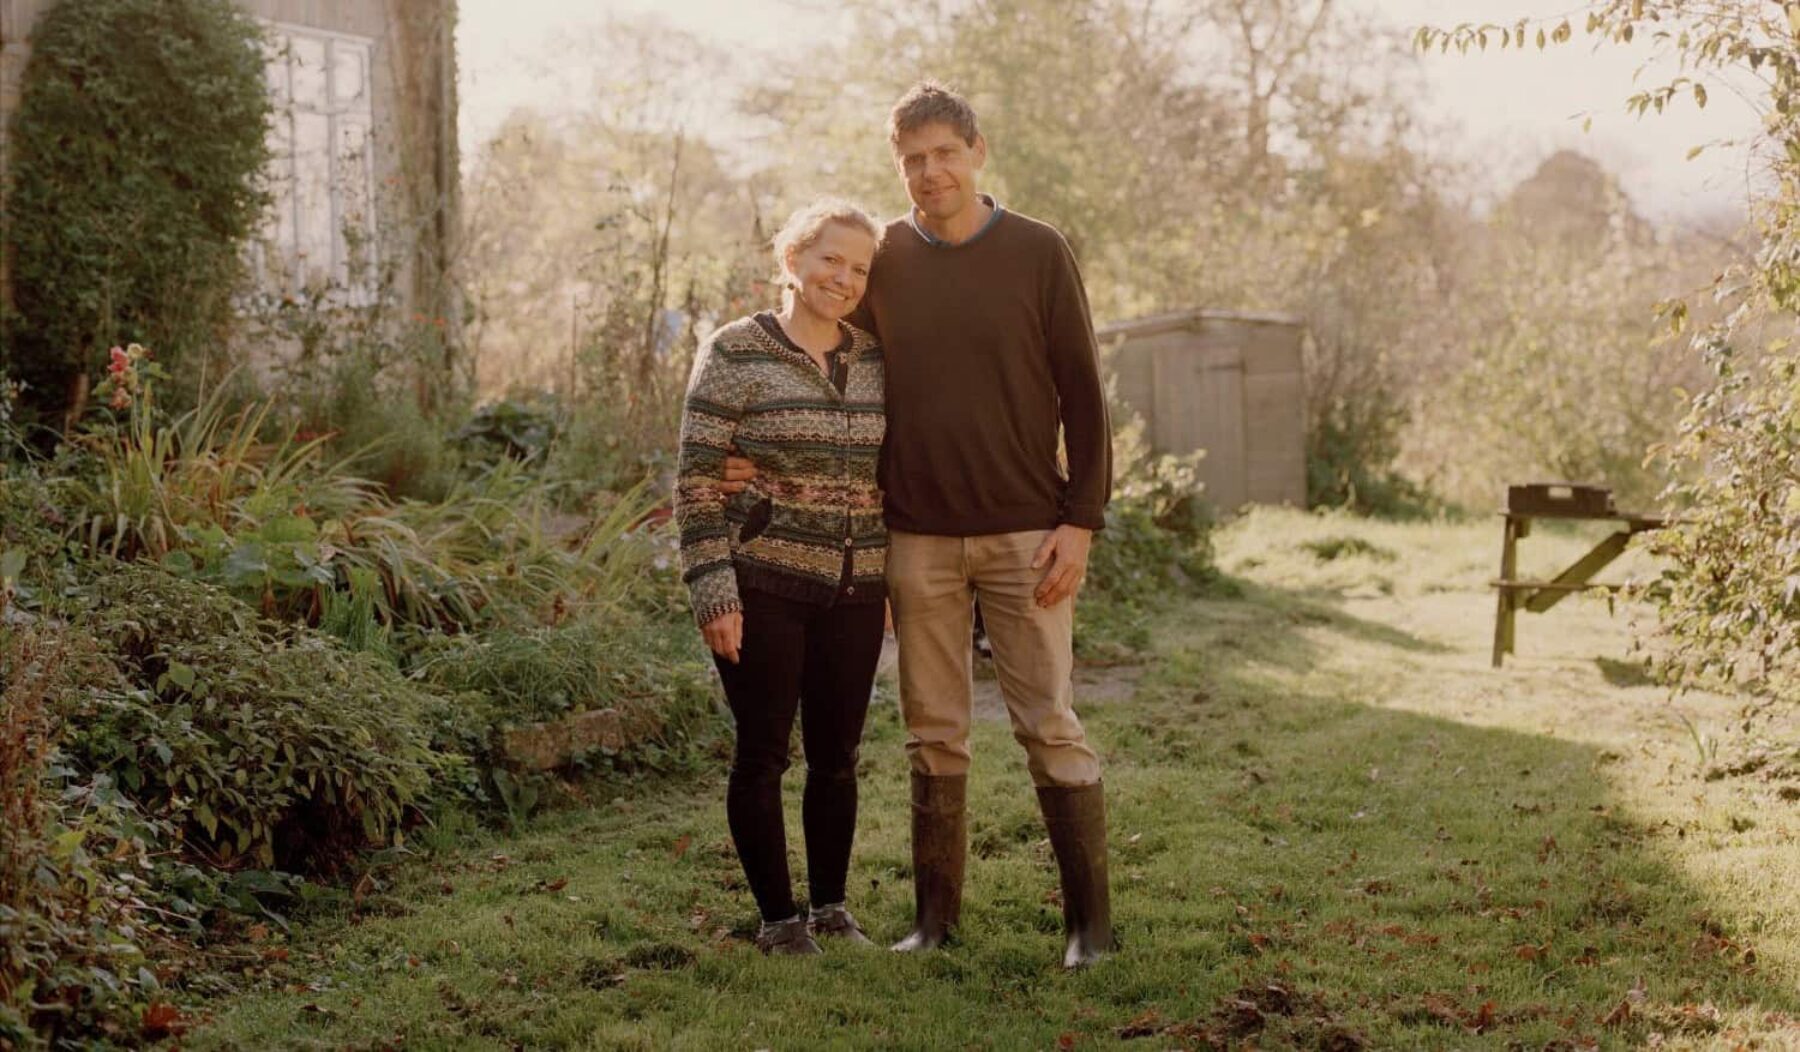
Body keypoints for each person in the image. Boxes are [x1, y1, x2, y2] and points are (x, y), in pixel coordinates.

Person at [725, 82, 1119, 968]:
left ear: (976, 151)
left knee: (1048, 723)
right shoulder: (884, 259)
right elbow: (818, 346)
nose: (929, 172)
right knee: (933, 729)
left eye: (944, 152)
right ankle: (935, 922)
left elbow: (1085, 396)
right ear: (898, 167)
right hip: (914, 538)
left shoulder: (1038, 251)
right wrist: (750, 449)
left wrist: (1081, 520)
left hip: (1028, 531)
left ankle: (1088, 929)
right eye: (911, 160)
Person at [674, 199, 888, 956]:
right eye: (831, 258)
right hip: (761, 582)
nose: (844, 278)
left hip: (857, 590)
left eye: (859, 268)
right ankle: (779, 921)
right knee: (764, 753)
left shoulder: (873, 358)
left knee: (838, 757)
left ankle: (830, 906)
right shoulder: (734, 351)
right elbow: (698, 481)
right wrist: (713, 589)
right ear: (793, 258)